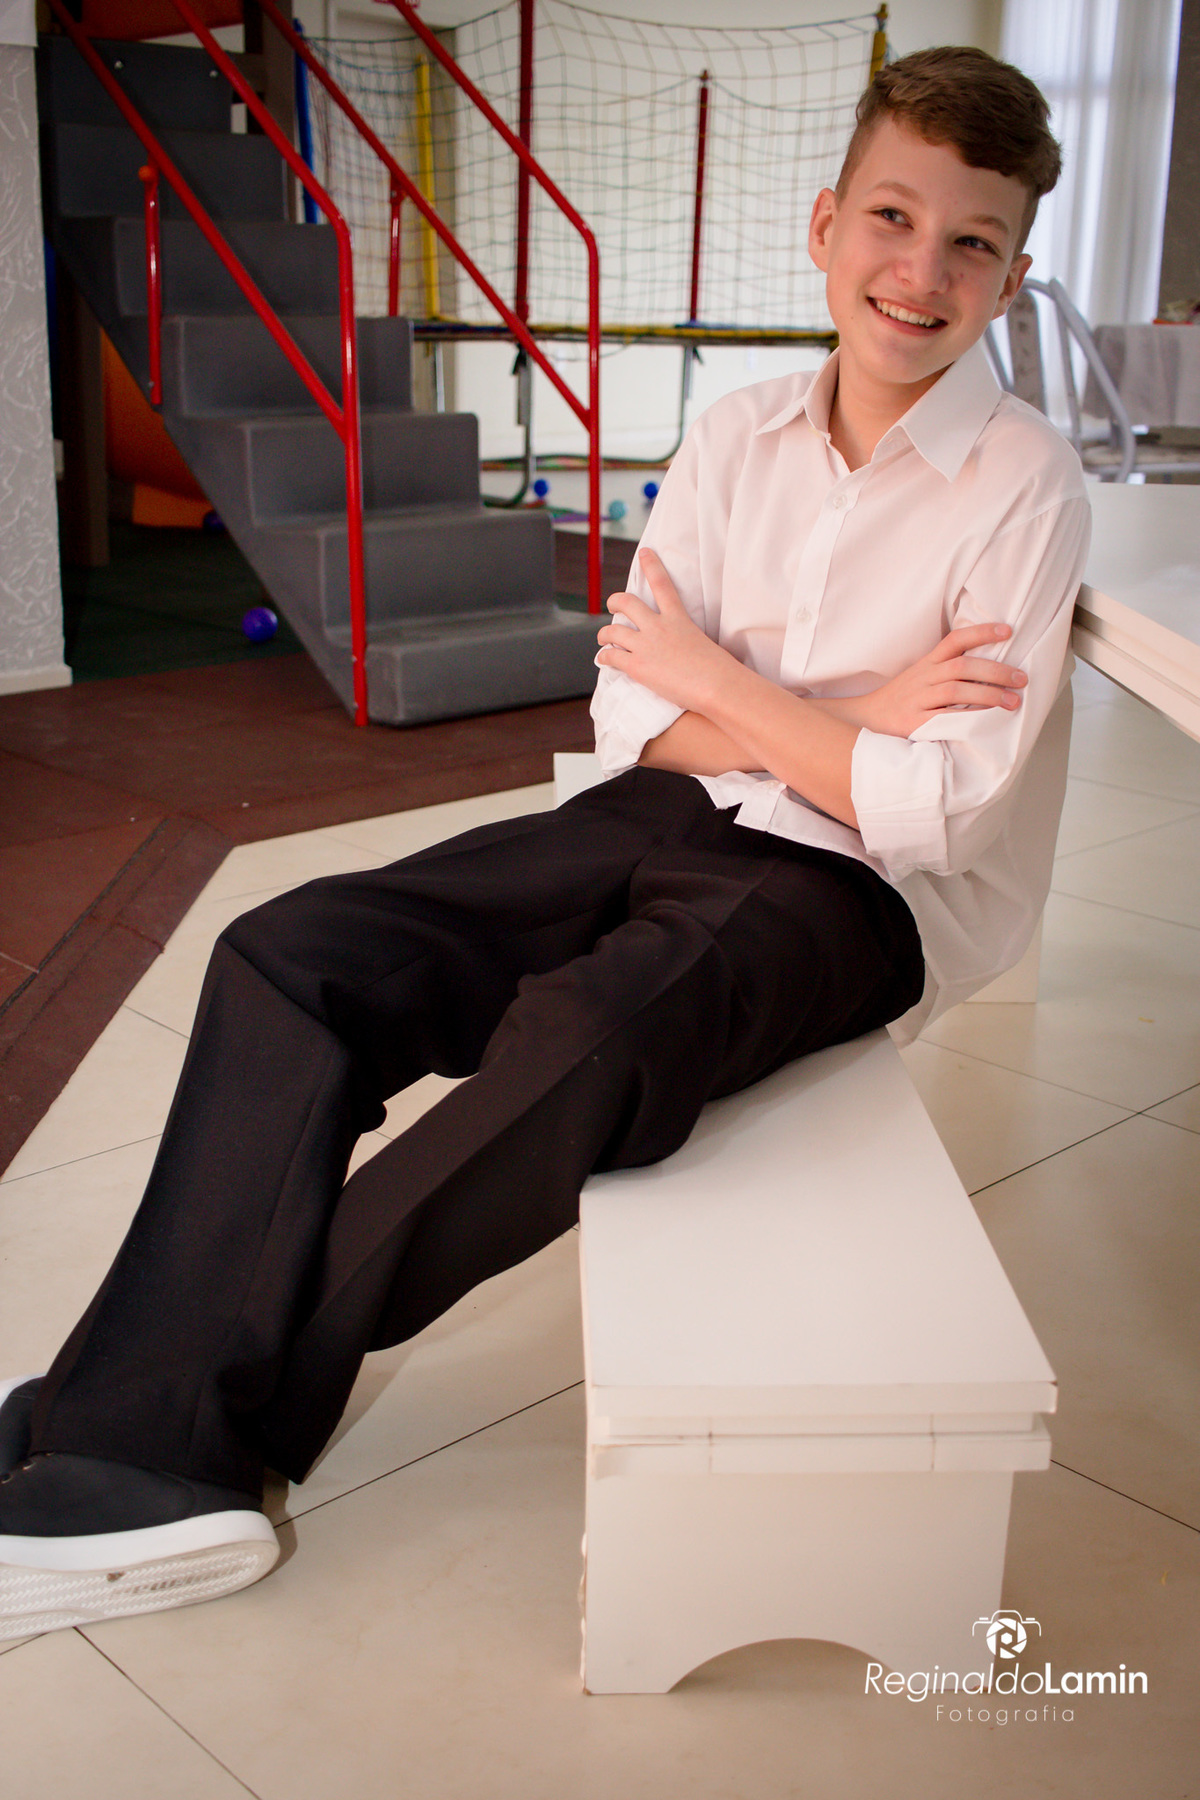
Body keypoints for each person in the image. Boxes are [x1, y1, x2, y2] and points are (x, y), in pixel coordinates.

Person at [0, 44, 1089, 1639]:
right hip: (666, 808)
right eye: (892, 217)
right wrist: (850, 710)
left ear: (1013, 271)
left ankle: (171, 1432)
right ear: (825, 223)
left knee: (588, 1034)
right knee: (292, 954)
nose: (921, 271)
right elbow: (632, 717)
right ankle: (147, 1413)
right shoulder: (736, 437)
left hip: (863, 898)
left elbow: (931, 806)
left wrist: (729, 685)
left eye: (972, 241)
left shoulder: (1027, 484)